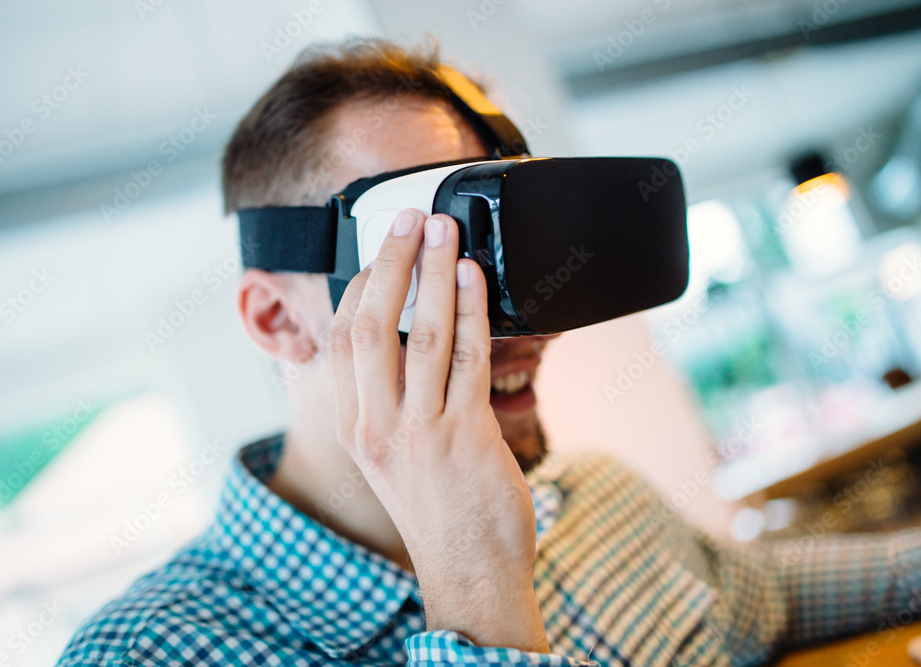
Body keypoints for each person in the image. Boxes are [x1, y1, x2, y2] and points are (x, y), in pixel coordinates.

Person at [58, 38, 921, 667]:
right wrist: (476, 589)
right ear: (278, 320)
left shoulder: (595, 502)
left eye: (518, 257)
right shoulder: (154, 651)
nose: (531, 325)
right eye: (439, 260)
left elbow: (773, 595)